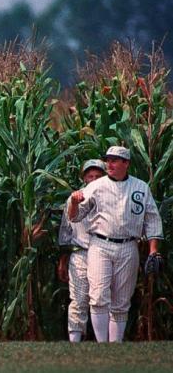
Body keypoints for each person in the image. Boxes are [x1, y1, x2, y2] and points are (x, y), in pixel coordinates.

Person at [69, 146, 163, 342]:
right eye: (108, 160)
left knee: (121, 301)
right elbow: (76, 217)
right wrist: (75, 203)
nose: (109, 164)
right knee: (98, 296)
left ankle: (116, 345)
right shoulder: (96, 186)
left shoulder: (140, 187)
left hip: (129, 245)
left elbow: (152, 219)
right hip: (100, 244)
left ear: (126, 163)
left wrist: (154, 250)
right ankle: (103, 344)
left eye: (114, 160)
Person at [58, 159, 106, 342]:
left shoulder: (110, 197)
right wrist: (63, 259)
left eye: (98, 176)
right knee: (78, 298)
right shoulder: (74, 199)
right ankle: (75, 340)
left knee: (101, 298)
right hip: (80, 253)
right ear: (84, 177)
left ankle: (105, 341)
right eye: (90, 175)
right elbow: (65, 230)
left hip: (103, 251)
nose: (93, 179)